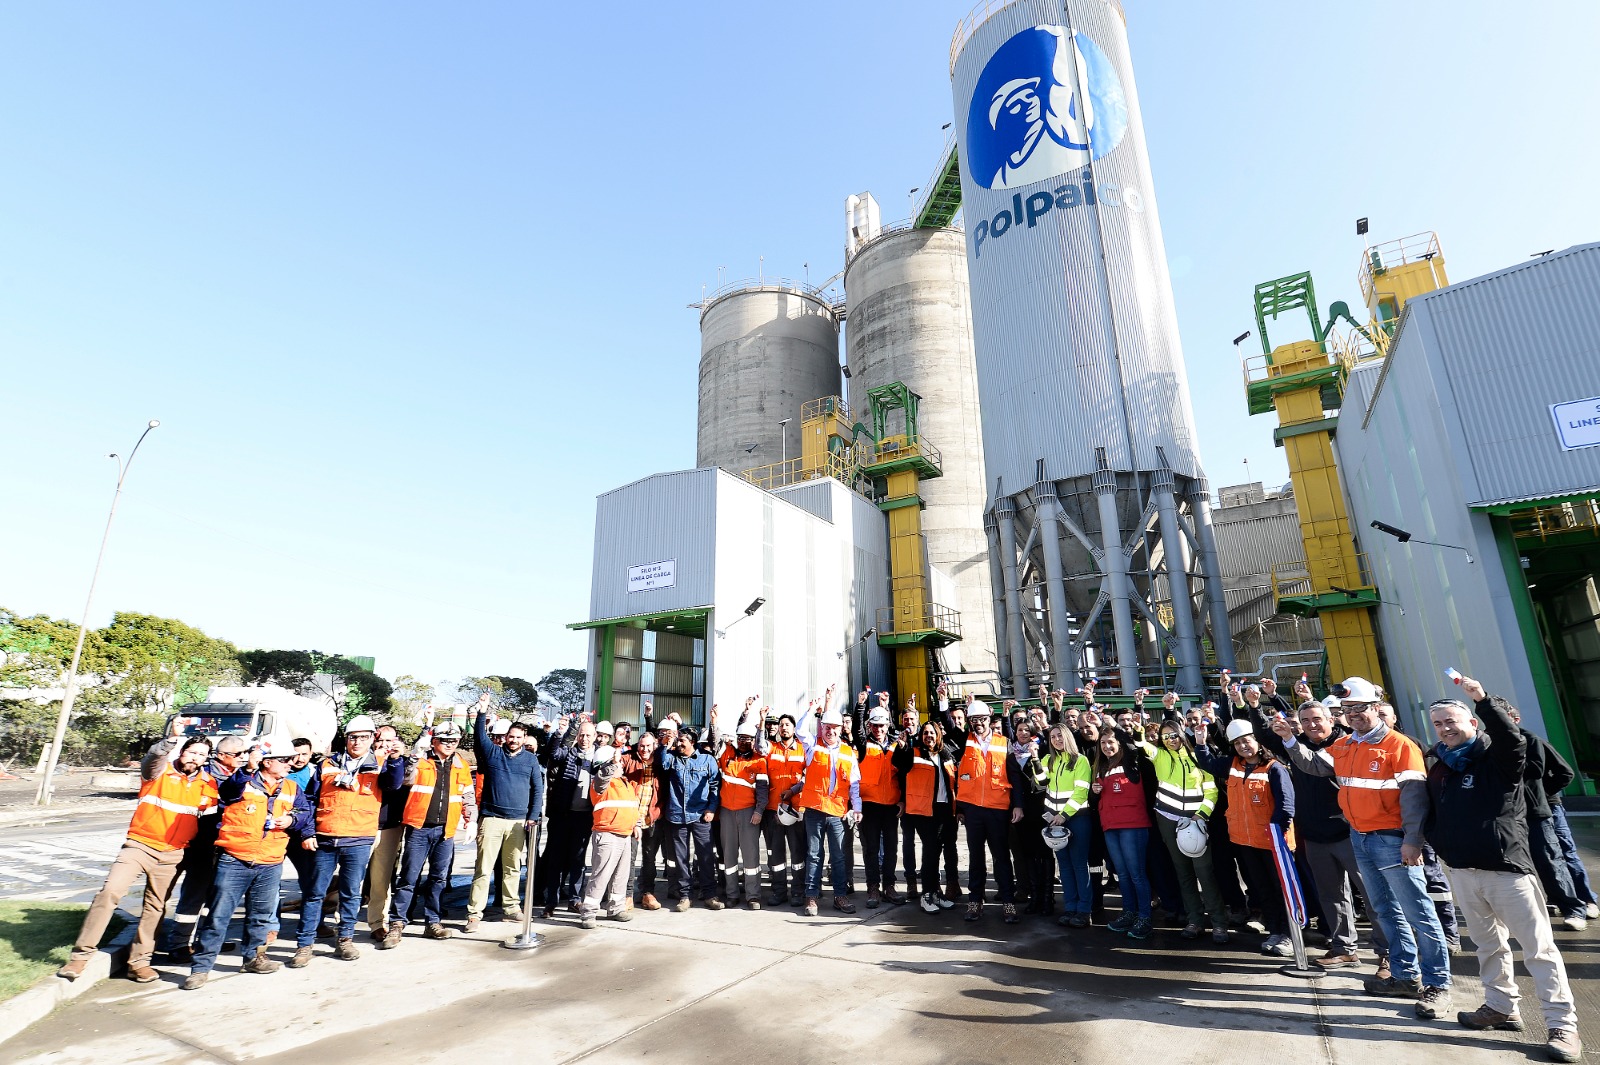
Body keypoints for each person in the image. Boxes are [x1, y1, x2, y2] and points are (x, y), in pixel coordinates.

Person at [1271, 677, 1451, 1012]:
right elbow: (1313, 764)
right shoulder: (1346, 746)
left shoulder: (1399, 746)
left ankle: (1437, 984)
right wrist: (1291, 740)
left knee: (1419, 913)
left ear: (1376, 708)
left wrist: (1413, 840)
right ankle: (1404, 975)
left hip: (1393, 841)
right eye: (1348, 709)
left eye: (1359, 708)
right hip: (1361, 839)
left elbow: (1415, 799)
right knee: (1384, 910)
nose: (1353, 714)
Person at [1425, 680, 1581, 1062]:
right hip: (1463, 872)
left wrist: (1481, 700)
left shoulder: (1498, 759)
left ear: (1474, 723)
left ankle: (1563, 1026)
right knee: (1488, 946)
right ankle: (1500, 1006)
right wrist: (1444, 850)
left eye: (1452, 721)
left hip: (1507, 872)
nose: (1445, 728)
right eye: (1438, 723)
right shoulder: (1441, 765)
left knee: (1538, 950)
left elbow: (1514, 741)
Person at [59, 731, 216, 983]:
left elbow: (207, 824)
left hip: (173, 854)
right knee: (110, 892)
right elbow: (152, 758)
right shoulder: (159, 771)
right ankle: (80, 957)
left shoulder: (208, 784)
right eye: (192, 752)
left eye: (202, 755)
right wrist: (170, 740)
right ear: (182, 751)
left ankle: (139, 962)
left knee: (155, 907)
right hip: (139, 846)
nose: (196, 758)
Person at [1263, 694, 1389, 971]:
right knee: (1331, 895)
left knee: (1373, 895)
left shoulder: (1345, 743)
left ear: (1332, 719)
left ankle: (1387, 954)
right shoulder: (1297, 744)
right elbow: (1268, 737)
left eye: (1317, 719)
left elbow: (1312, 762)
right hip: (1315, 835)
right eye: (1305, 721)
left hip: (1349, 832)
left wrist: (1290, 740)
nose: (1312, 725)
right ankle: (1344, 948)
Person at [182, 733, 301, 990]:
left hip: (270, 861)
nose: (291, 763)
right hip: (235, 859)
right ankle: (201, 968)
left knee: (259, 916)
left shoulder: (291, 787)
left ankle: (254, 958)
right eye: (285, 759)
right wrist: (248, 768)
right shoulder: (241, 781)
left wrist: (293, 820)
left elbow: (304, 813)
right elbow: (227, 791)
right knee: (218, 916)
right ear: (267, 762)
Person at [289, 715, 403, 966]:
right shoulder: (328, 764)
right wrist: (308, 832)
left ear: (372, 739)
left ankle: (345, 940)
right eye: (353, 737)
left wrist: (395, 760)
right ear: (346, 738)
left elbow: (393, 785)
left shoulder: (382, 764)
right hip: (326, 838)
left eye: (363, 737)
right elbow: (309, 800)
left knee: (351, 894)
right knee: (314, 892)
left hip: (359, 838)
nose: (357, 742)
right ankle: (304, 945)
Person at [1196, 718, 1295, 957]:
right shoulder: (1233, 765)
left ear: (1257, 742)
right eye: (1238, 743)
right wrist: (1200, 743)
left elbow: (1286, 805)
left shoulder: (1274, 768)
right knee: (1263, 889)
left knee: (1281, 889)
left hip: (1273, 843)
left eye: (1247, 741)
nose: (1243, 746)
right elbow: (1208, 763)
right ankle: (1274, 931)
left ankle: (1290, 935)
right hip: (1246, 842)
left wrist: (1278, 834)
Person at [1129, 716, 1227, 943]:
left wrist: (1200, 815)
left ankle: (1219, 923)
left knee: (1205, 872)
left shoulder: (1198, 757)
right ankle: (1195, 920)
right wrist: (1137, 729)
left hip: (1196, 821)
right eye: (1166, 737)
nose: (1171, 740)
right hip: (1168, 819)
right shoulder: (1160, 755)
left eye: (1174, 735)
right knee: (1183, 873)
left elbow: (1211, 791)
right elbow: (1142, 745)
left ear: (1181, 734)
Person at [384, 722, 475, 947]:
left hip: (446, 831)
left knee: (439, 878)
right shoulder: (421, 761)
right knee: (409, 877)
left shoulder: (460, 764)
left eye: (454, 741)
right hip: (419, 828)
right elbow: (405, 779)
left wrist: (471, 819)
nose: (450, 745)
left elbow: (467, 794)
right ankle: (397, 923)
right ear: (435, 741)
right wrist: (414, 754)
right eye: (445, 740)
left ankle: (432, 921)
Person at [1504, 705, 1589, 930]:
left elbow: (1554, 772)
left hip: (1539, 809)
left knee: (1556, 857)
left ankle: (1579, 904)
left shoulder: (1529, 740)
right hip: (1511, 814)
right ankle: (1554, 899)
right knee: (1527, 863)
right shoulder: (1490, 743)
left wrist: (1541, 794)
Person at [164, 733, 247, 961]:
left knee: (213, 896)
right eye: (238, 754)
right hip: (198, 844)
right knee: (194, 895)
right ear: (221, 755)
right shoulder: (209, 776)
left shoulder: (230, 774)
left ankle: (204, 940)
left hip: (217, 845)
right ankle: (179, 944)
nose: (243, 757)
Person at [466, 708, 545, 931]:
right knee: (483, 868)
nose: (514, 740)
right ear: (505, 737)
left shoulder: (530, 760)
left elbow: (537, 790)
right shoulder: (493, 753)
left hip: (518, 822)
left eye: (518, 737)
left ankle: (511, 908)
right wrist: (481, 714)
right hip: (491, 819)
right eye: (511, 736)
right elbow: (480, 738)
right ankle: (474, 914)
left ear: (524, 739)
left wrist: (532, 817)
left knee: (512, 868)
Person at [787, 690, 860, 916]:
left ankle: (840, 896)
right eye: (827, 727)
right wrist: (811, 709)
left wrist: (857, 808)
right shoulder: (811, 746)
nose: (830, 731)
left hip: (837, 812)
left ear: (840, 729)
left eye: (834, 727)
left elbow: (855, 784)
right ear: (822, 728)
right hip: (815, 810)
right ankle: (811, 897)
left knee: (838, 856)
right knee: (814, 854)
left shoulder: (848, 752)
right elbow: (799, 729)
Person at [954, 699, 1025, 924]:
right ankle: (975, 902)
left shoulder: (1004, 743)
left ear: (989, 719)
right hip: (973, 810)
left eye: (982, 719)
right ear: (970, 722)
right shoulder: (963, 742)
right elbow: (949, 729)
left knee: (1002, 857)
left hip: (998, 810)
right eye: (974, 720)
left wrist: (1018, 805)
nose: (979, 724)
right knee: (976, 859)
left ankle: (1008, 903)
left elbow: (1014, 776)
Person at [1091, 727, 1154, 938]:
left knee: (1136, 874)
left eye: (1111, 742)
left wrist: (1112, 724)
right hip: (1110, 826)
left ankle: (1144, 917)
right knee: (1122, 874)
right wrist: (1095, 792)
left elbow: (1132, 746)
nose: (1107, 747)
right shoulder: (1100, 768)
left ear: (1119, 743)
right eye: (1103, 743)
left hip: (1133, 826)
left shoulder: (1131, 763)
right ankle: (1129, 913)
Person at [895, 718, 960, 914]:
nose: (928, 736)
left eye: (932, 732)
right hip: (924, 811)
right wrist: (903, 746)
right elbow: (899, 763)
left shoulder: (946, 755)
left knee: (939, 850)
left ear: (938, 735)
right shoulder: (913, 753)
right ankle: (926, 895)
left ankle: (935, 892)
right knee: (930, 851)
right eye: (925, 733)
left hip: (945, 810)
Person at [1030, 724, 1092, 927]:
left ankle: (1084, 911)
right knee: (1064, 866)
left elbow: (1080, 792)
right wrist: (1035, 759)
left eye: (1060, 736)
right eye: (1053, 737)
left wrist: (1064, 815)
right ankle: (1070, 907)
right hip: (1055, 820)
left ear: (1067, 737)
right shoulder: (1049, 760)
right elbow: (1041, 782)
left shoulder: (1080, 761)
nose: (1056, 739)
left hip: (1076, 818)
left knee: (1079, 865)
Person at [538, 714, 598, 917]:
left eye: (589, 735)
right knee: (556, 859)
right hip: (562, 815)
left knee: (578, 860)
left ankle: (574, 899)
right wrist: (560, 732)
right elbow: (553, 754)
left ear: (595, 736)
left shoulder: (598, 757)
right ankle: (551, 901)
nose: (585, 739)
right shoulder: (569, 753)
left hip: (585, 817)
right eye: (582, 735)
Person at [578, 744, 642, 928]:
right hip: (607, 834)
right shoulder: (600, 782)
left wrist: (636, 825)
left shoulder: (624, 783)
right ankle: (589, 913)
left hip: (625, 834)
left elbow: (632, 806)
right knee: (601, 874)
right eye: (617, 762)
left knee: (621, 875)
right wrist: (612, 763)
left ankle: (615, 908)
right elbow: (603, 776)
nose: (621, 764)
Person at [659, 723, 721, 910]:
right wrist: (665, 745)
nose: (679, 744)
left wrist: (711, 809)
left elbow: (715, 786)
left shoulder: (706, 760)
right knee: (680, 858)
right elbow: (662, 764)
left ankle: (709, 894)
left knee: (706, 857)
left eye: (682, 741)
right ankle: (685, 896)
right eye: (678, 741)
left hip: (701, 815)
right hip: (677, 816)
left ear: (692, 742)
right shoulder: (672, 758)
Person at [713, 704, 769, 909]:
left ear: (753, 741)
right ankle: (732, 894)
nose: (743, 742)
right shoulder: (726, 754)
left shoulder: (759, 761)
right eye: (741, 738)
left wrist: (758, 811)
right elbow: (715, 740)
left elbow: (762, 791)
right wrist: (715, 722)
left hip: (748, 814)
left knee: (751, 856)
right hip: (727, 812)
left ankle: (753, 896)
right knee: (729, 856)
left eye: (747, 738)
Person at [856, 706, 906, 907]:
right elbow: (857, 731)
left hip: (890, 806)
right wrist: (861, 707)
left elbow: (903, 774)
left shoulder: (896, 746)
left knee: (891, 849)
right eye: (874, 725)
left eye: (881, 725)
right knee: (871, 849)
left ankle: (889, 886)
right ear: (870, 726)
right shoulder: (863, 745)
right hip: (870, 804)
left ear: (887, 726)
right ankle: (873, 887)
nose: (878, 729)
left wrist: (902, 800)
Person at [365, 725, 408, 939]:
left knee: (381, 880)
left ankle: (377, 923)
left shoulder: (401, 763)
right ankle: (341, 922)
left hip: (389, 826)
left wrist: (394, 761)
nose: (384, 745)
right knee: (351, 879)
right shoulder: (362, 762)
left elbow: (395, 784)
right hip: (360, 826)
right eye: (380, 741)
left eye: (389, 741)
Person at [763, 710, 809, 906]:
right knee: (776, 854)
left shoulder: (803, 750)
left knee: (798, 854)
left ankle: (798, 891)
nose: (783, 728)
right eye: (781, 725)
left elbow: (808, 778)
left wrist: (792, 792)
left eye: (787, 725)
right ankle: (779, 891)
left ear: (794, 728)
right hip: (773, 810)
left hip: (796, 811)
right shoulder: (770, 749)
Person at [622, 730, 663, 908]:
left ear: (654, 746)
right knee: (628, 858)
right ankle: (627, 894)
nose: (645, 749)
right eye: (641, 746)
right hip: (632, 818)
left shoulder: (662, 763)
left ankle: (647, 892)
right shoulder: (629, 760)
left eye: (648, 746)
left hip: (652, 817)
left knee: (649, 858)